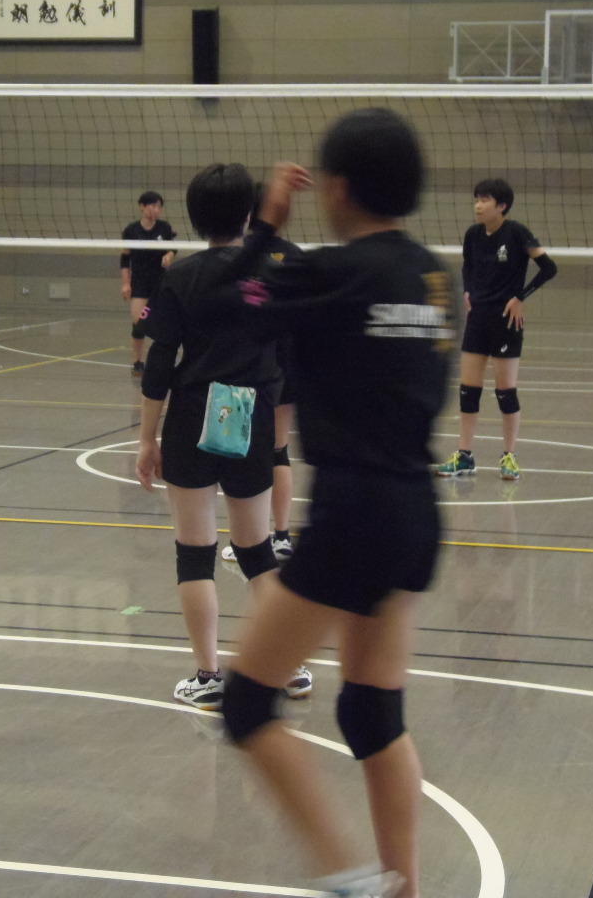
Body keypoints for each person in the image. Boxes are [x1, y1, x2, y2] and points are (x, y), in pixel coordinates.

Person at [213, 109, 456, 898]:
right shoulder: (435, 279)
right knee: (372, 714)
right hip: (416, 513)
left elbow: (236, 298)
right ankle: (401, 888)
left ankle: (348, 879)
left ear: (339, 187)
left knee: (248, 703)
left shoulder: (332, 272)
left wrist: (265, 225)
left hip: (353, 513)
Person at [135, 163, 310, 711]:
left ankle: (209, 676)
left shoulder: (183, 276)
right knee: (257, 551)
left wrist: (146, 439)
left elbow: (159, 365)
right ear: (248, 213)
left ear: (192, 216)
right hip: (251, 414)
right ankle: (289, 666)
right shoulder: (269, 273)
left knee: (195, 553)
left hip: (193, 414)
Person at [432, 178, 556, 482]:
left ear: (501, 206)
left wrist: (520, 298)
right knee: (468, 391)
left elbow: (549, 267)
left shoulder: (518, 233)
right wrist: (468, 292)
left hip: (506, 321)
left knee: (505, 393)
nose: (478, 205)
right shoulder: (472, 235)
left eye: (484, 200)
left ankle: (509, 456)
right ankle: (464, 456)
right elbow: (467, 267)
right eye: (476, 199)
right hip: (478, 320)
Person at [223, 185, 302, 565]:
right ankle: (281, 537)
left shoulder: (237, 258)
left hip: (246, 369)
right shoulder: (296, 256)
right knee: (278, 450)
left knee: (238, 451)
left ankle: (247, 543)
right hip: (288, 368)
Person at [121, 191, 177, 376]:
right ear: (143, 206)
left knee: (165, 327)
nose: (157, 210)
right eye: (153, 206)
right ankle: (138, 362)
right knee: (139, 327)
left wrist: (170, 255)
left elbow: (174, 248)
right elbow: (125, 258)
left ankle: (164, 363)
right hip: (140, 285)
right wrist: (126, 283)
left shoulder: (164, 228)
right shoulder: (131, 231)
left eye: (159, 207)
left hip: (161, 284)